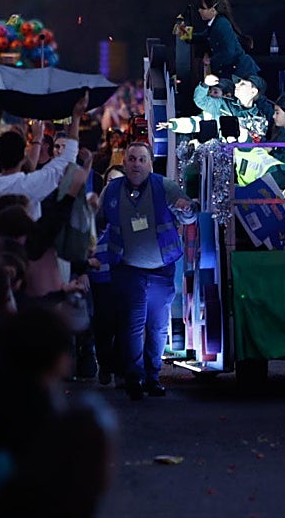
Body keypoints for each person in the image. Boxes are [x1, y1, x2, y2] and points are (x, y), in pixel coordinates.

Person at [97, 141, 197, 400]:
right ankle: (134, 378)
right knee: (132, 325)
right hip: (128, 270)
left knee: (157, 326)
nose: (136, 164)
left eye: (142, 159)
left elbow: (187, 215)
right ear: (124, 162)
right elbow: (98, 224)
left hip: (161, 269)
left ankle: (153, 377)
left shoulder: (165, 187)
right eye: (132, 159)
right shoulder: (111, 191)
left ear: (150, 163)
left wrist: (187, 209)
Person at [0, 94, 88, 221]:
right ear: (23, 158)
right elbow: (68, 158)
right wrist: (76, 118)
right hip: (27, 239)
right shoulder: (28, 186)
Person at [158, 73, 273, 142]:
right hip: (218, 160)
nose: (236, 85)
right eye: (238, 82)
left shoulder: (259, 119)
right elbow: (200, 103)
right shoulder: (223, 104)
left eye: (242, 84)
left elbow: (256, 147)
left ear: (253, 91)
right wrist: (205, 85)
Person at [190, 0, 259, 80]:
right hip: (235, 72)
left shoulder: (221, 24)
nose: (199, 10)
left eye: (203, 8)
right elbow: (203, 36)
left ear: (213, 10)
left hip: (241, 74)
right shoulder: (215, 24)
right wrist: (186, 36)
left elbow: (228, 52)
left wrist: (210, 60)